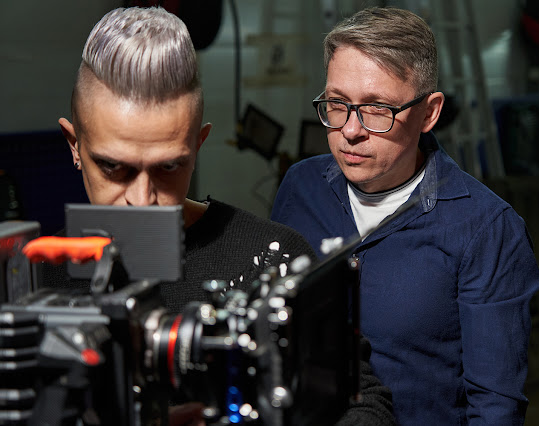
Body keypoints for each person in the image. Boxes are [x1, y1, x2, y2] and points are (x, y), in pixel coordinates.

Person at [41, 6, 395, 425]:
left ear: (198, 145)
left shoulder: (273, 257)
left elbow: (365, 404)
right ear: (74, 146)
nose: (142, 199)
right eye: (113, 167)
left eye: (168, 167)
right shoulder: (37, 279)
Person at [271, 7, 539, 425]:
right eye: (337, 104)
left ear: (429, 113)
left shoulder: (486, 230)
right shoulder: (301, 188)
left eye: (378, 109)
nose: (350, 131)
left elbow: (495, 408)